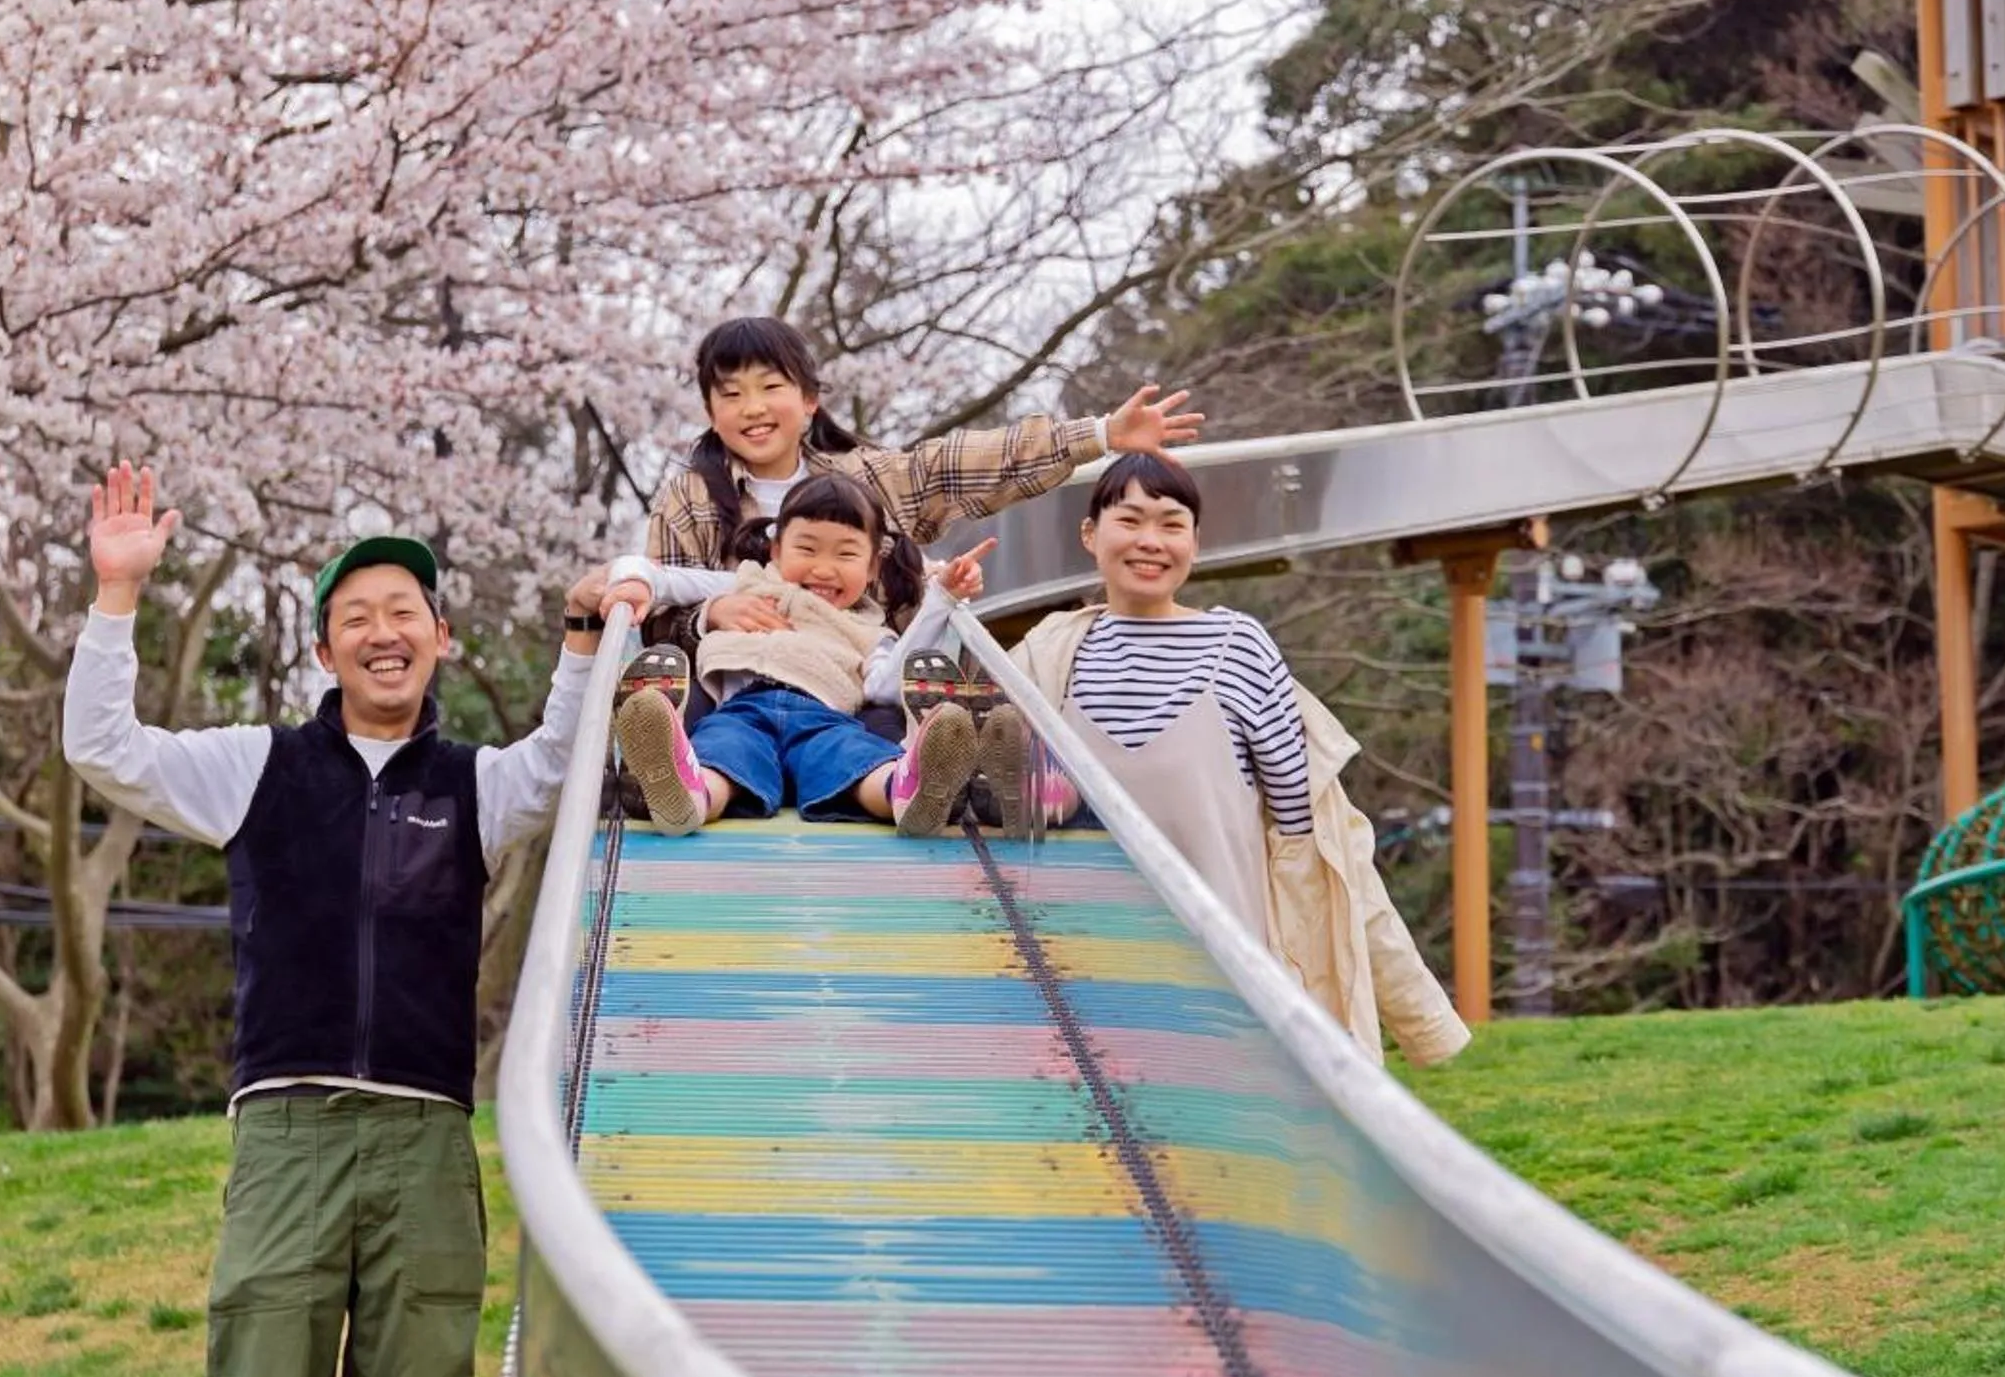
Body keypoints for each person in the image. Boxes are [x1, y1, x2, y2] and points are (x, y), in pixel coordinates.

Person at [62, 464, 631, 1377]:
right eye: (356, 618)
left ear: (441, 640)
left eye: (403, 615)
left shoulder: (479, 785)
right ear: (323, 653)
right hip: (286, 1141)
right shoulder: (253, 767)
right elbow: (104, 749)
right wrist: (116, 598)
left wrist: (581, 642)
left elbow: (566, 764)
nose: (382, 634)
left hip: (426, 1147)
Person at [1010, 453, 1470, 1067]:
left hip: (1222, 977)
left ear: (1196, 543)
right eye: (1131, 520)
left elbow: (1305, 838)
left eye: (1172, 524)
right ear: (1090, 534)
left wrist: (1408, 1014)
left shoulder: (1239, 649)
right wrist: (938, 607)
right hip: (1084, 971)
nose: (1151, 541)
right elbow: (953, 743)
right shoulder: (1049, 653)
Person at [638, 317, 1204, 730]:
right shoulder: (690, 499)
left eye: (770, 388)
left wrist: (1099, 436)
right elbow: (656, 620)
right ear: (711, 411)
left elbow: (959, 465)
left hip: (855, 687)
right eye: (731, 395)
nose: (753, 408)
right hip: (740, 694)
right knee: (685, 712)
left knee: (903, 722)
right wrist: (709, 615)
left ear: (809, 400)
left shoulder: (864, 479)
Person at [609, 473, 1017, 835]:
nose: (824, 568)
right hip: (741, 711)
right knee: (721, 755)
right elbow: (662, 576)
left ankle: (911, 792)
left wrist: (941, 598)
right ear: (776, 550)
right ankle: (683, 798)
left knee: (858, 761)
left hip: (826, 720)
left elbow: (888, 687)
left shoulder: (868, 630)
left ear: (873, 566)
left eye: (845, 554)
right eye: (807, 549)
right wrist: (636, 583)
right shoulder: (746, 583)